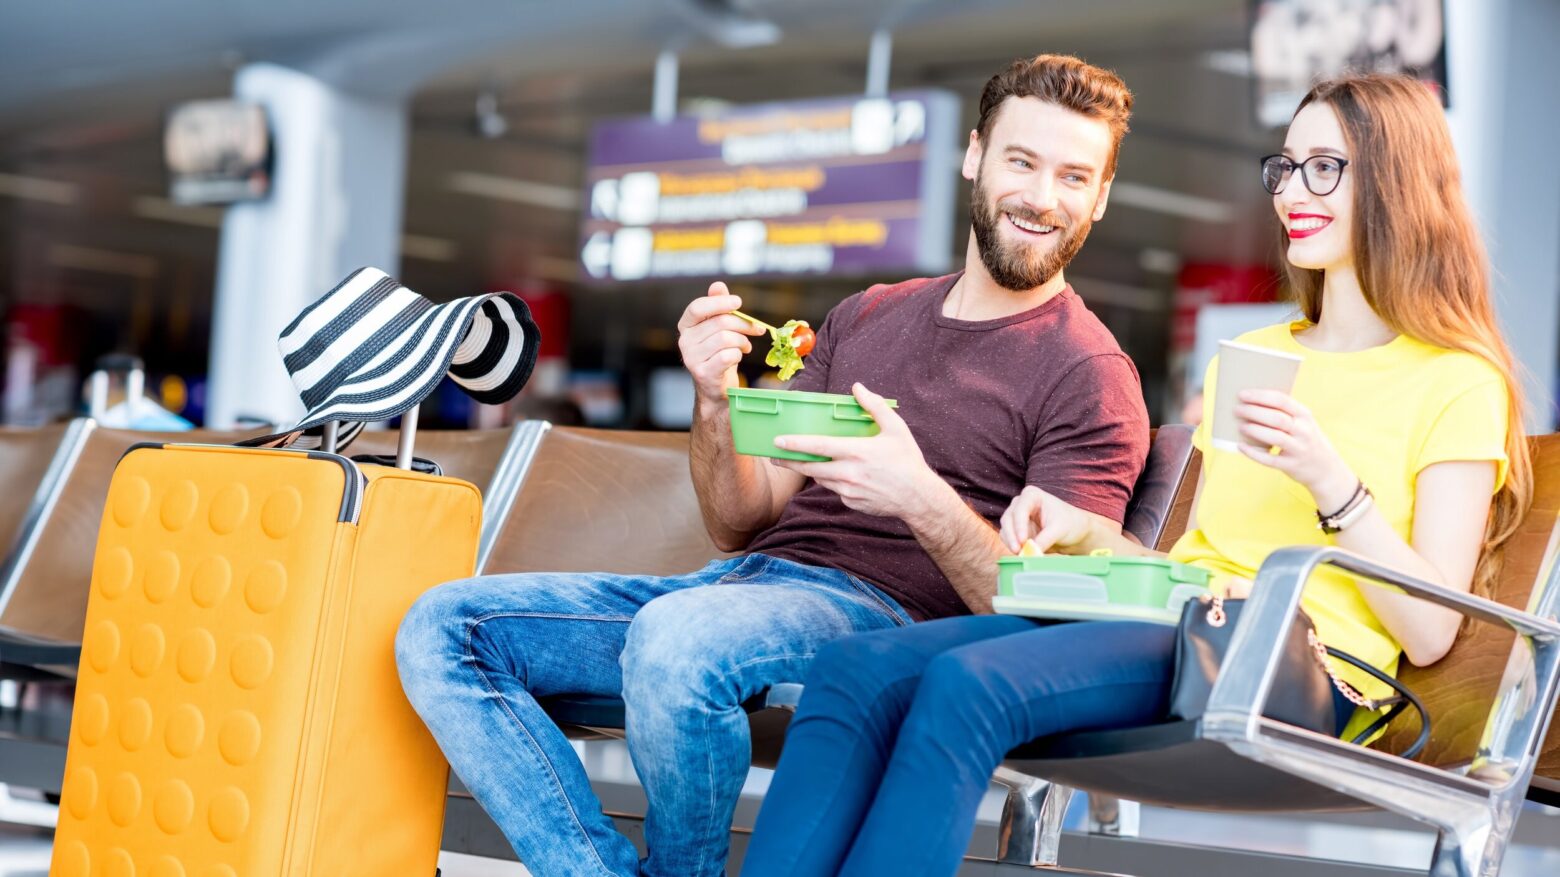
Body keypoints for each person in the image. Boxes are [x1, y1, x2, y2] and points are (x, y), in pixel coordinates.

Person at [740, 72, 1532, 876]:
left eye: (1325, 167)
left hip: (1300, 666)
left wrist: (1334, 483)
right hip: (1182, 622)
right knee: (855, 670)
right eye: (1286, 166)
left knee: (967, 686)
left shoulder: (1458, 379)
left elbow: (1430, 630)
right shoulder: (1259, 359)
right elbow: (1196, 567)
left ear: (1396, 182)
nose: (1294, 188)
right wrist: (1091, 537)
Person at [394, 53, 1149, 876]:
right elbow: (737, 518)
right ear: (974, 155)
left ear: (1102, 197)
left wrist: (920, 495)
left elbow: (1049, 618)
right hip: (739, 588)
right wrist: (716, 399)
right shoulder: (869, 314)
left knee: (677, 641)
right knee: (443, 628)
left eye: (1075, 175)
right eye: (1022, 161)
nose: (1043, 197)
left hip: (884, 625)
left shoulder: (1090, 374)